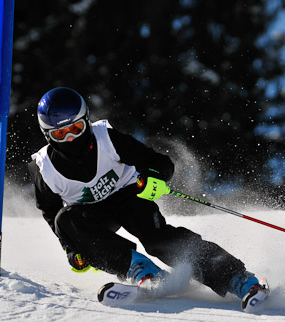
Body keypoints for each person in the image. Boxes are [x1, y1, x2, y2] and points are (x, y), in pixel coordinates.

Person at [27, 87, 261, 300]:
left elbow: (159, 162)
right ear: (47, 135)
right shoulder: (43, 167)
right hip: (91, 216)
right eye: (60, 135)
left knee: (158, 239)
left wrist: (152, 177)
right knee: (65, 220)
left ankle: (235, 277)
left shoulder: (107, 139)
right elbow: (51, 211)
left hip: (128, 197)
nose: (70, 139)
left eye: (76, 129)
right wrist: (71, 248)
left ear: (86, 122)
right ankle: (140, 269)